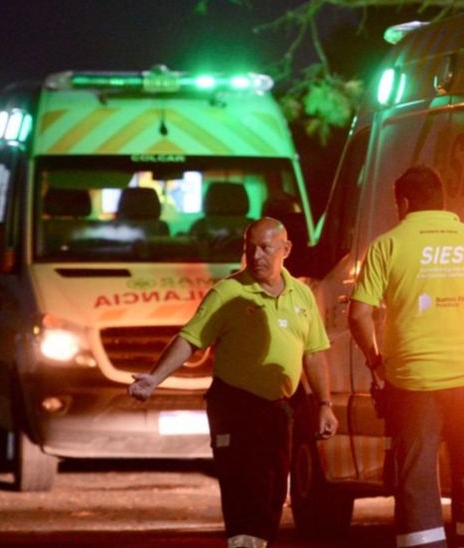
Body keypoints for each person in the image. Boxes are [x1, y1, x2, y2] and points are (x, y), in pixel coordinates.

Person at [129, 217, 337, 548]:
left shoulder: (302, 296)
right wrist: (155, 378)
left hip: (278, 408)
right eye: (249, 248)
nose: (256, 256)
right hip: (236, 407)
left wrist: (325, 405)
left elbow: (313, 354)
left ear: (286, 249)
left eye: (265, 249)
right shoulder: (228, 292)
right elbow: (189, 339)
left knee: (272, 493)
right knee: (245, 490)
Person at [348, 165, 464, 548]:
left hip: (413, 381)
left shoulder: (387, 245)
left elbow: (358, 314)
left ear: (404, 203)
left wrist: (376, 360)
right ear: (443, 202)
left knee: (417, 477)